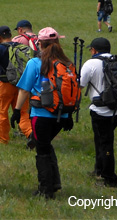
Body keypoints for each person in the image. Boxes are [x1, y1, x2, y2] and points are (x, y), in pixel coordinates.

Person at [14, 27, 73, 199]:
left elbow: (24, 90)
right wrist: (68, 115)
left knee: (42, 151)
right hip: (62, 115)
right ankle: (54, 183)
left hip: (42, 114)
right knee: (46, 145)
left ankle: (45, 190)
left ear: (39, 43)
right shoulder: (67, 63)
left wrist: (17, 111)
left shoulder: (35, 63)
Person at [79, 37, 117, 188]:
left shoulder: (91, 63)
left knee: (105, 143)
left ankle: (109, 179)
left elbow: (79, 85)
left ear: (93, 50)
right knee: (100, 140)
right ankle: (98, 169)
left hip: (101, 110)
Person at [0, 26, 33, 146]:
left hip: (6, 85)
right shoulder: (19, 47)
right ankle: (30, 134)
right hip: (22, 86)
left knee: (2, 112)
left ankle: (3, 139)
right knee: (23, 112)